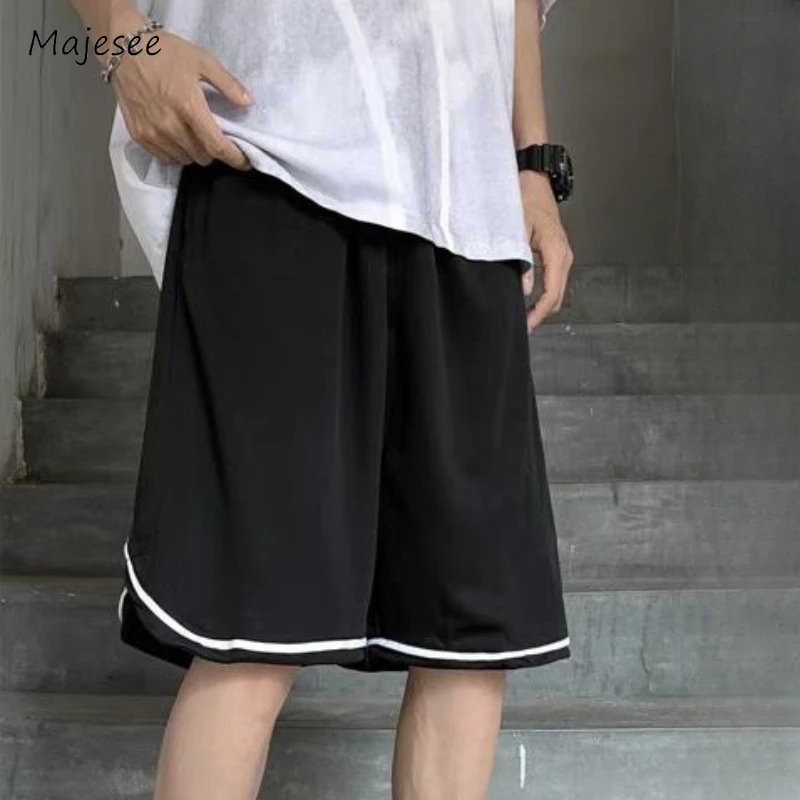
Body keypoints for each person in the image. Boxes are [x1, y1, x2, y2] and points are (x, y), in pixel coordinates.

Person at [70, 1, 575, 797]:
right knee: (250, 632)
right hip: (274, 150)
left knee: (469, 645)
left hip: (466, 189)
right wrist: (123, 42)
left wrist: (531, 161)